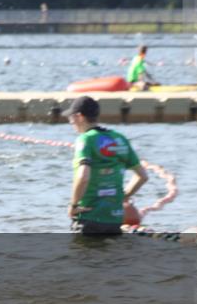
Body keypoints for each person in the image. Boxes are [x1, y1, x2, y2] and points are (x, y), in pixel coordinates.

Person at [63, 96, 149, 235]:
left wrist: (73, 206)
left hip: (88, 217)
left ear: (79, 117)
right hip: (114, 219)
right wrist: (123, 196)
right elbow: (142, 176)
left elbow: (83, 176)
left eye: (71, 118)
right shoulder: (119, 138)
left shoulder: (85, 140)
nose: (71, 122)